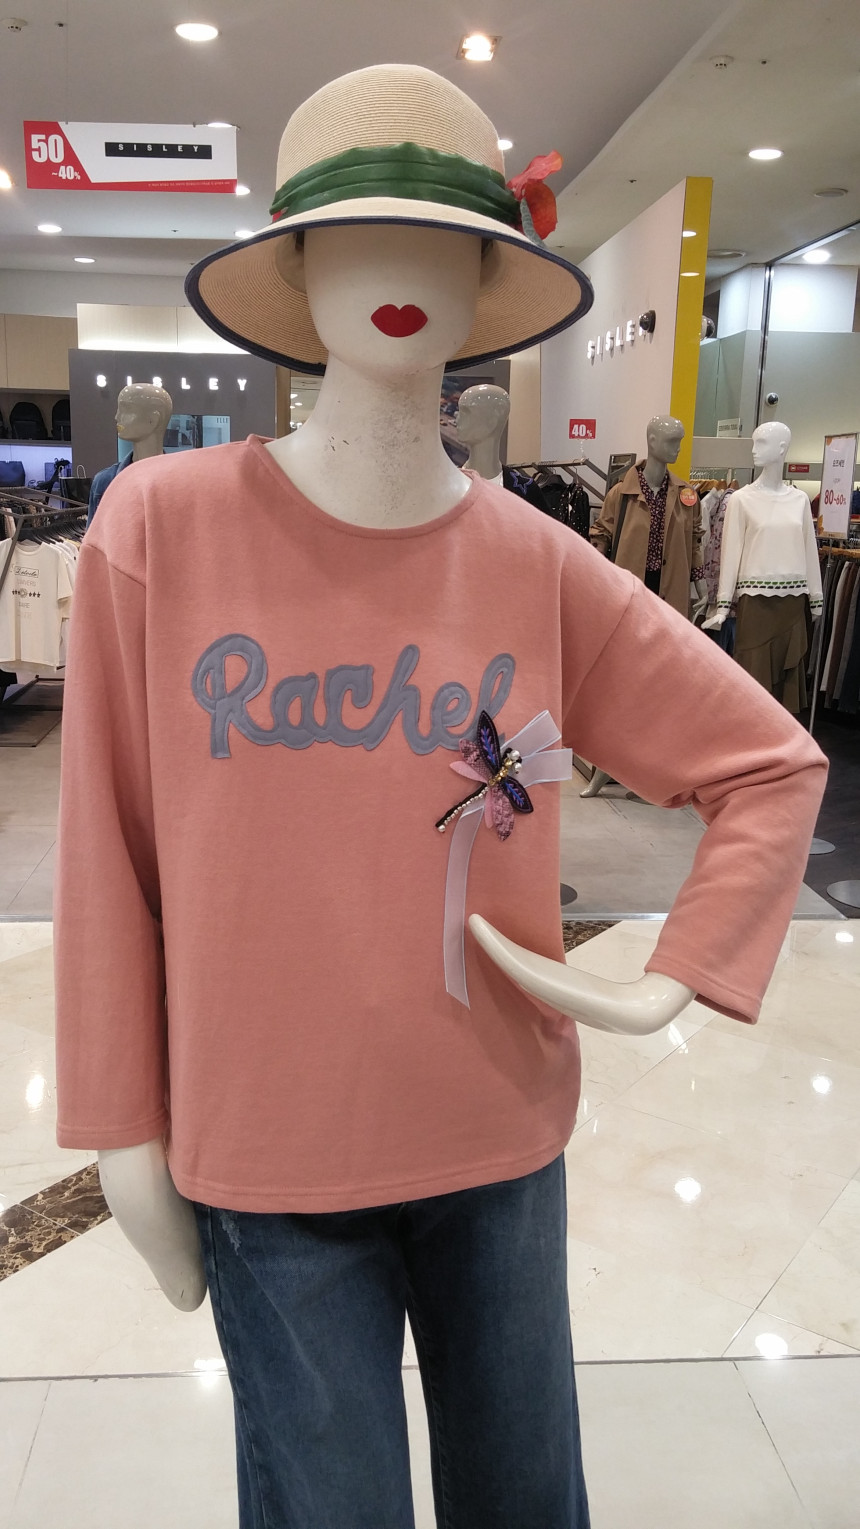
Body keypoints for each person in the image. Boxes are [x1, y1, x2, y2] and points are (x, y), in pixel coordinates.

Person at [55, 64, 827, 1529]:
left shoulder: (538, 562)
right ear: (297, 268)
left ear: (487, 283)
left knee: (526, 1500)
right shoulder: (160, 526)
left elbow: (769, 763)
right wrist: (118, 1119)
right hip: (265, 1147)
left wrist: (672, 974)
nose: (399, 276)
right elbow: (107, 847)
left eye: (443, 243)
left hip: (496, 1133)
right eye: (358, 238)